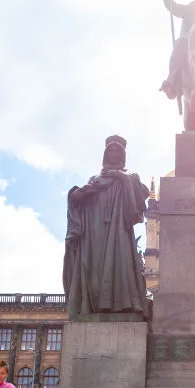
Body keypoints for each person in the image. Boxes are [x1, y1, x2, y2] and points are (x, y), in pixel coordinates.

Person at [63, 135, 150, 318]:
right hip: (95, 229)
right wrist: (78, 195)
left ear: (123, 154)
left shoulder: (130, 177)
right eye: (110, 150)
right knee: (95, 266)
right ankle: (93, 305)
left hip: (119, 229)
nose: (114, 154)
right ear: (105, 153)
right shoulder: (95, 177)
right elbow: (81, 199)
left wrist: (122, 178)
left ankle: (123, 304)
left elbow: (143, 194)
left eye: (118, 150)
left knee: (120, 263)